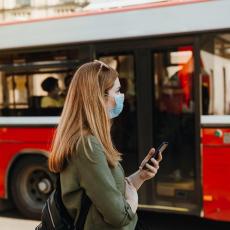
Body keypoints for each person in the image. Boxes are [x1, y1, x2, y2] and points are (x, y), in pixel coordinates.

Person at [48, 60, 162, 230]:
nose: (122, 96)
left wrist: (141, 175)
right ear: (99, 98)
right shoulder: (87, 145)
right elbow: (119, 216)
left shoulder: (90, 140)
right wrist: (132, 201)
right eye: (117, 91)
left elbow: (108, 191)